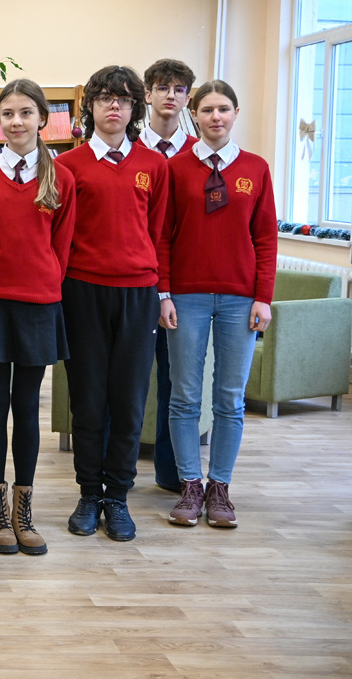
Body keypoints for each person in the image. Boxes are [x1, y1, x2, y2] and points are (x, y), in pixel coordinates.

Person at [0, 79, 76, 556]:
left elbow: (62, 247)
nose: (16, 121)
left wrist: (44, 282)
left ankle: (23, 512)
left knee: (27, 407)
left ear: (42, 119)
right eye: (7, 113)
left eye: (26, 113)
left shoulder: (61, 177)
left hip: (37, 303)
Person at [57, 66, 168, 543]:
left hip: (138, 294)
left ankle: (118, 497)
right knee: (88, 399)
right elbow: (60, 235)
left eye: (123, 98)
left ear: (135, 107)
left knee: (128, 400)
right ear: (91, 107)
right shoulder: (69, 166)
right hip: (83, 291)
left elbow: (159, 234)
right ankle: (89, 494)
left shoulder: (154, 166)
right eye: (104, 97)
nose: (114, 105)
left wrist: (161, 292)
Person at [159, 80, 276, 529]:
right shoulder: (174, 168)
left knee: (229, 398)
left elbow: (265, 238)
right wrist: (164, 293)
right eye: (207, 109)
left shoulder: (256, 168)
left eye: (223, 109)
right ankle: (190, 484)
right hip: (185, 296)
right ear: (194, 114)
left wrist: (263, 297)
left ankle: (220, 487)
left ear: (235, 113)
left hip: (240, 299)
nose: (215, 117)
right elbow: (162, 236)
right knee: (185, 395)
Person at [139, 58, 200, 493]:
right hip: (133, 280)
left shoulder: (199, 153)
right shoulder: (126, 149)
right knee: (125, 380)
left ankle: (171, 470)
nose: (170, 95)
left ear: (188, 98)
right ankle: (114, 474)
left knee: (174, 380)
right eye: (162, 87)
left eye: (179, 89)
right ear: (147, 95)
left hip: (180, 285)